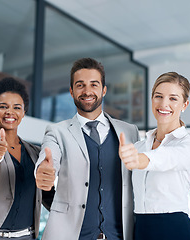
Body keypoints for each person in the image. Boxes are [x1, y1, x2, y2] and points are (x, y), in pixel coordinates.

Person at [35, 57, 140, 240]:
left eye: (94, 84)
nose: (87, 91)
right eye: (80, 85)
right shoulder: (57, 131)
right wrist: (44, 170)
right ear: (71, 91)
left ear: (104, 90)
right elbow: (48, 155)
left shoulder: (130, 132)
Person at [119, 72, 190, 240]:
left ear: (184, 105)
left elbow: (167, 158)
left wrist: (140, 160)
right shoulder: (139, 146)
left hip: (175, 230)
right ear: (151, 100)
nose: (164, 104)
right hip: (140, 230)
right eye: (158, 96)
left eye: (173, 98)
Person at [0, 78, 54, 240]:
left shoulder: (35, 152)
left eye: (17, 107)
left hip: (26, 236)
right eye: (3, 107)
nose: (10, 112)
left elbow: (47, 194)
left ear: (23, 112)